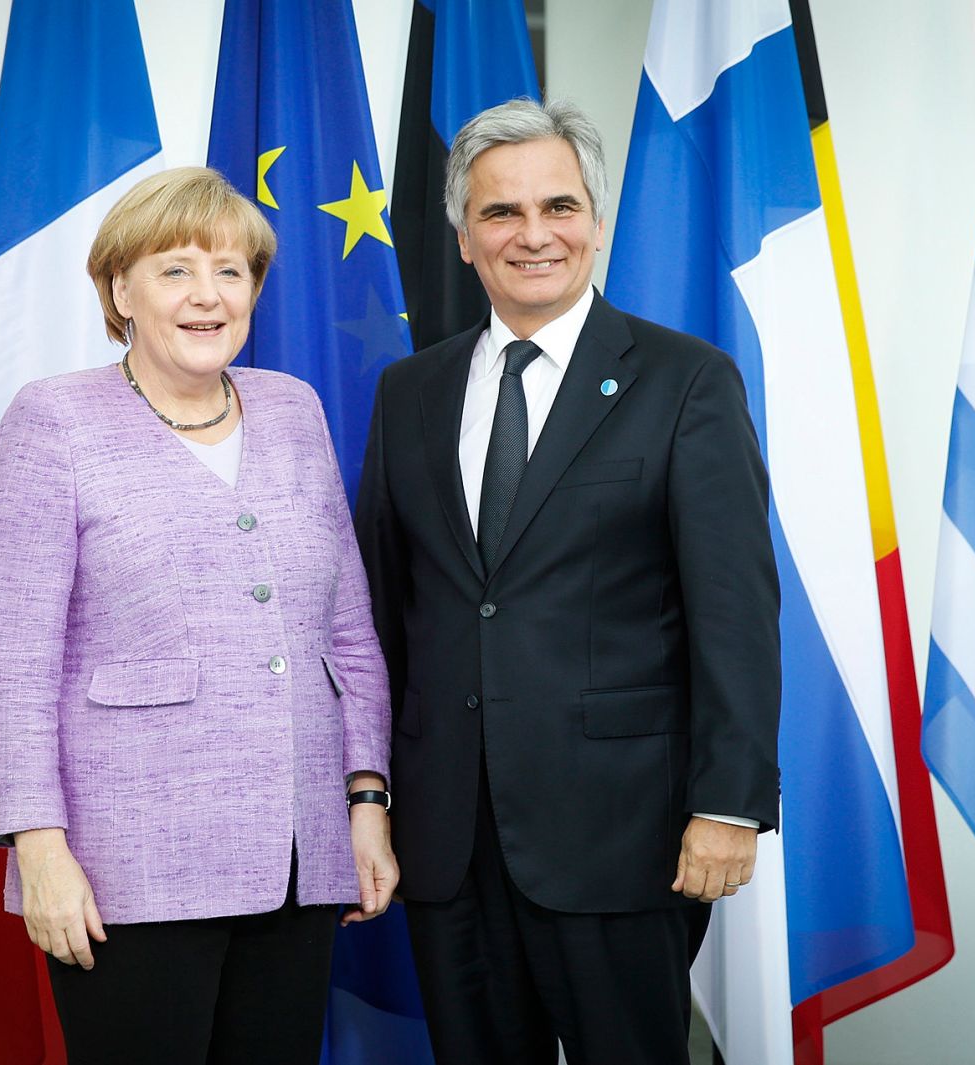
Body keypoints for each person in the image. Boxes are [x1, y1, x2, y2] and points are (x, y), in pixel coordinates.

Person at [355, 99, 781, 1065]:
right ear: (464, 237)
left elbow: (736, 610)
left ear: (596, 221)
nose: (535, 234)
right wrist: (367, 795)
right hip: (446, 840)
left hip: (622, 837)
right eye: (502, 213)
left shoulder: (686, 381)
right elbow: (382, 612)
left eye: (560, 205)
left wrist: (729, 803)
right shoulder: (408, 391)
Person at [0, 166, 397, 1065]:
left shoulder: (293, 409)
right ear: (119, 288)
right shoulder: (54, 421)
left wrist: (365, 796)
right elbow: (11, 657)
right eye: (175, 269)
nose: (208, 295)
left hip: (298, 852)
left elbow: (346, 627)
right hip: (127, 863)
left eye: (231, 271)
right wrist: (37, 848)